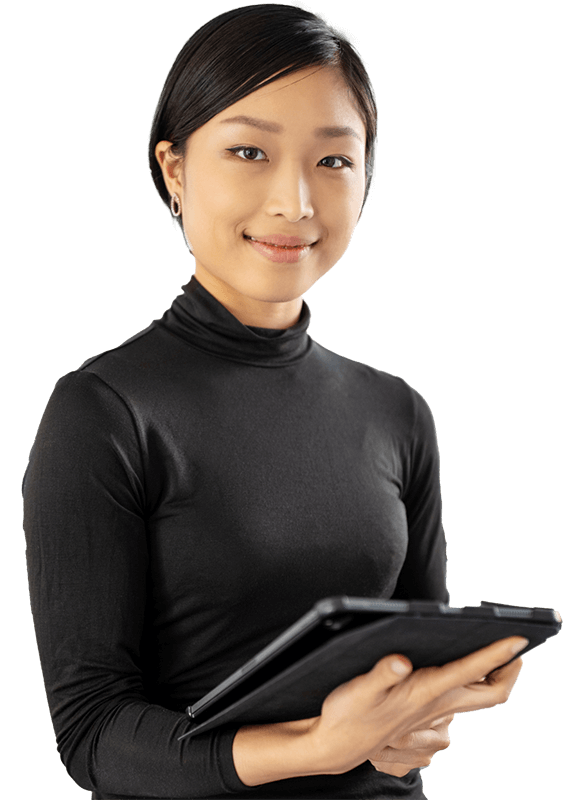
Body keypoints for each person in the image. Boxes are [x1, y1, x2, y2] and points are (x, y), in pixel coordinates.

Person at [22, 4, 526, 799]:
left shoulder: (397, 410)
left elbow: (411, 686)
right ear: (174, 170)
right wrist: (312, 749)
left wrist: (423, 725)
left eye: (333, 161)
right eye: (249, 151)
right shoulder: (104, 409)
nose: (294, 201)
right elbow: (91, 737)